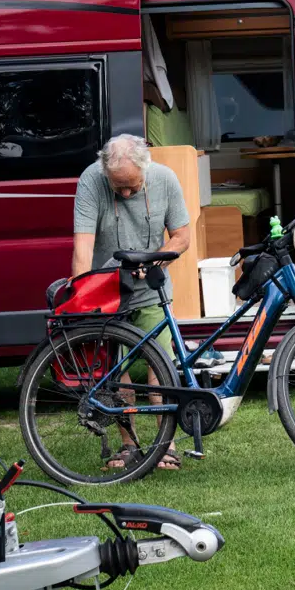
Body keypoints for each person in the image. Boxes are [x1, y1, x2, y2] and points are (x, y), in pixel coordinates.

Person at [72, 134, 191, 471]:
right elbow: (82, 248)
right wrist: (82, 298)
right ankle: (128, 447)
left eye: (131, 187)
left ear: (145, 168)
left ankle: (164, 446)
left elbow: (182, 236)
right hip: (108, 293)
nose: (124, 194)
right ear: (104, 172)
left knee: (160, 369)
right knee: (118, 374)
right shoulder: (91, 180)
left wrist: (156, 261)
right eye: (117, 187)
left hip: (152, 290)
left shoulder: (164, 179)